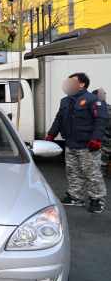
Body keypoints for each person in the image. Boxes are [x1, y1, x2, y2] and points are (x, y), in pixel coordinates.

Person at [47, 73, 108, 213]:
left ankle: (96, 200)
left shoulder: (93, 99)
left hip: (88, 145)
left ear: (82, 84)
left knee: (91, 173)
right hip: (70, 143)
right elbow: (59, 119)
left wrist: (97, 139)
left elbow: (101, 120)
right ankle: (76, 198)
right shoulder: (65, 101)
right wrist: (51, 135)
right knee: (72, 172)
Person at [92, 88, 111, 175]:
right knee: (104, 154)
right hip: (105, 136)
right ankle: (101, 171)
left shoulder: (88, 106)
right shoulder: (108, 108)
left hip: (92, 136)